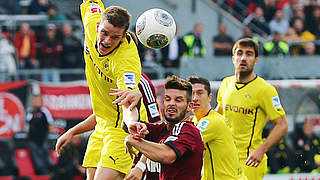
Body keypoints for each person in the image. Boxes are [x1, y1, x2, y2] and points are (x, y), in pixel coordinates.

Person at [55, 0, 148, 179]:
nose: (106, 41)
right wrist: (72, 131)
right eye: (104, 33)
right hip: (101, 127)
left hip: (121, 131)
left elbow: (128, 104)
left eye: (114, 37)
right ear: (98, 26)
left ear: (123, 37)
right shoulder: (92, 19)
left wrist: (131, 124)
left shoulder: (126, 61)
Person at [216, 38, 288, 180]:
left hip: (250, 160)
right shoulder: (226, 83)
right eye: (239, 53)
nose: (243, 58)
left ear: (256, 60)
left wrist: (262, 150)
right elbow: (218, 116)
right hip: (224, 159)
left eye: (249, 54)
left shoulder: (265, 90)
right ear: (233, 58)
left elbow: (282, 125)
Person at [124, 76, 204, 180]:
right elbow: (126, 125)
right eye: (167, 99)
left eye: (178, 100)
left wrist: (132, 141)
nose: (171, 104)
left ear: (189, 106)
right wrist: (134, 103)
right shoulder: (161, 130)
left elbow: (167, 155)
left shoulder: (189, 131)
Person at [187, 76, 246, 180]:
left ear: (210, 97)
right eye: (191, 94)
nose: (195, 98)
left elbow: (180, 147)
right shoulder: (196, 120)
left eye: (200, 93)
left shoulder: (211, 122)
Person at [26, 94, 55, 174]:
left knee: (46, 155)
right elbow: (27, 125)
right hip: (33, 139)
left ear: (41, 102)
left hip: (43, 138)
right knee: (36, 157)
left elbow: (50, 124)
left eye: (37, 100)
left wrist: (51, 134)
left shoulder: (44, 111)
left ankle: (49, 171)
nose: (36, 102)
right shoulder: (30, 113)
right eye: (34, 100)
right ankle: (40, 172)